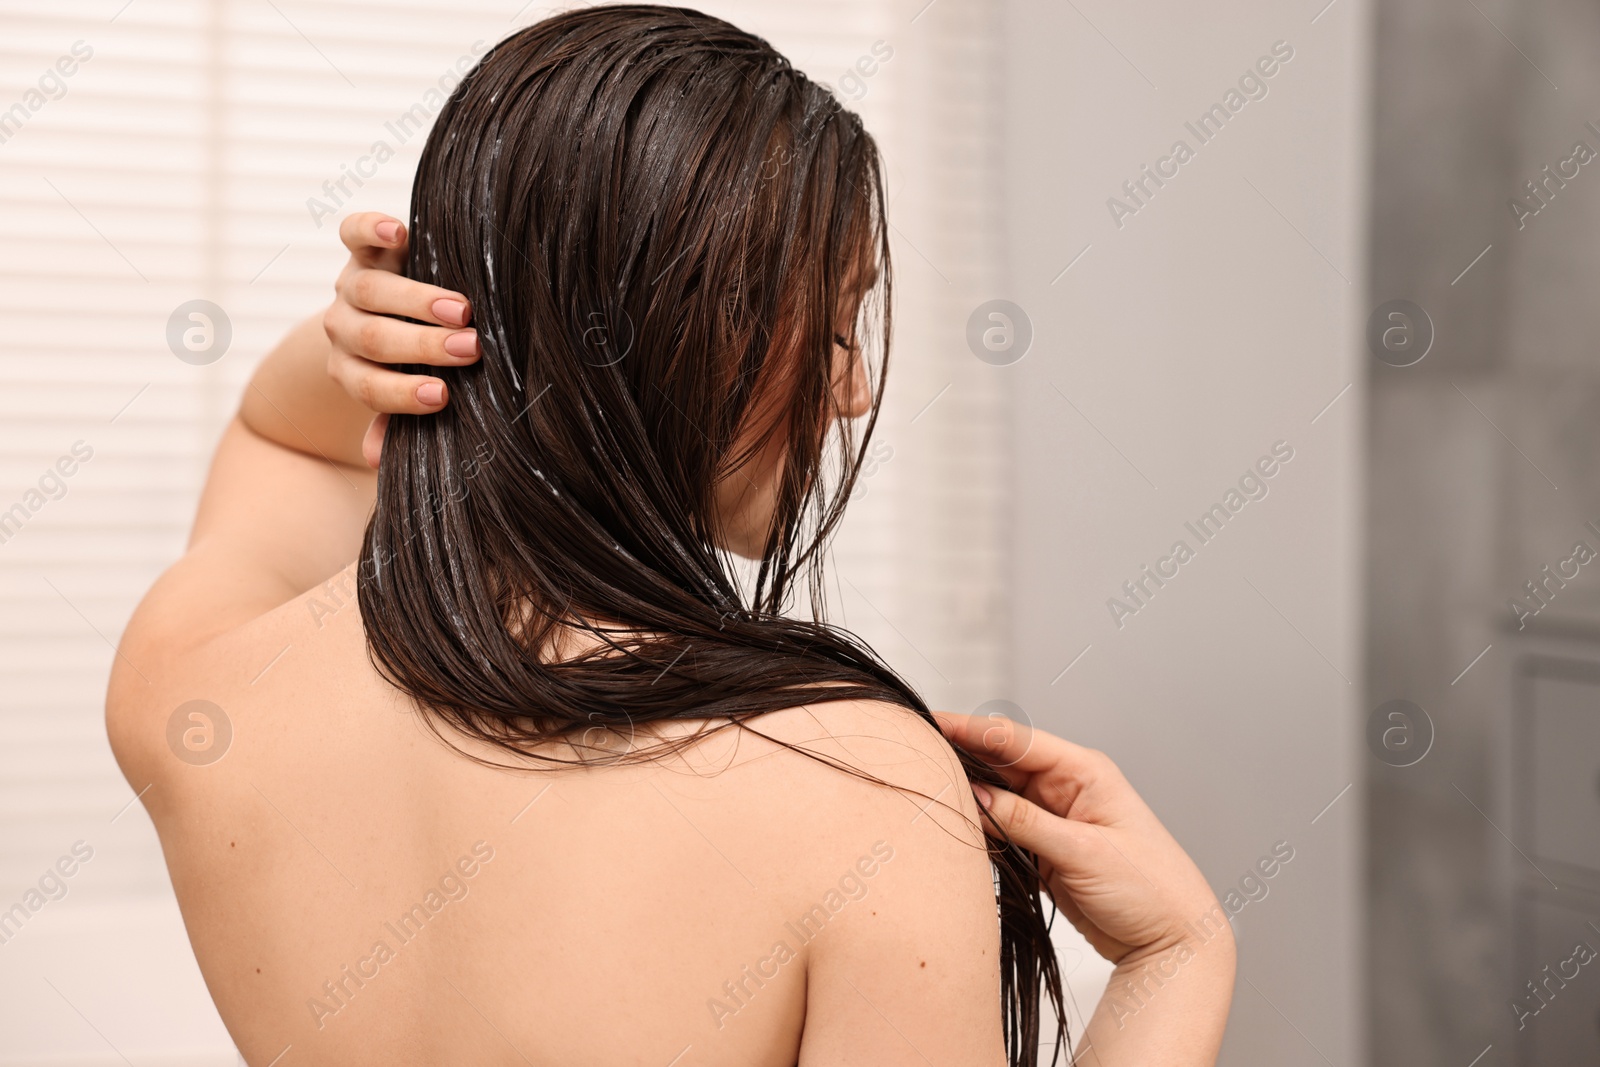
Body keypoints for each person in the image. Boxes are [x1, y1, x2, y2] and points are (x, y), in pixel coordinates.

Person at [106, 7, 1231, 1065]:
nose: (851, 389)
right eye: (833, 323)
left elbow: (277, 437)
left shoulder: (195, 691)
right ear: (669, 332)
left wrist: (386, 338)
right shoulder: (860, 792)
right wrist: (1175, 960)